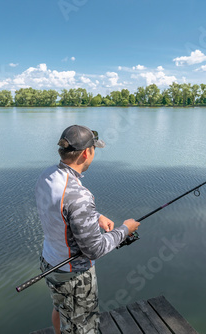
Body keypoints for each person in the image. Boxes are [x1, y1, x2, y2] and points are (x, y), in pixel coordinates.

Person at [35, 125, 140, 334]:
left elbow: (61, 208)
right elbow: (94, 249)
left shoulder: (47, 176)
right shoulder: (79, 196)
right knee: (83, 327)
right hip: (74, 276)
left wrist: (95, 216)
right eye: (94, 149)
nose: (94, 154)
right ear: (86, 153)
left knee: (61, 308)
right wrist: (124, 230)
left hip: (49, 262)